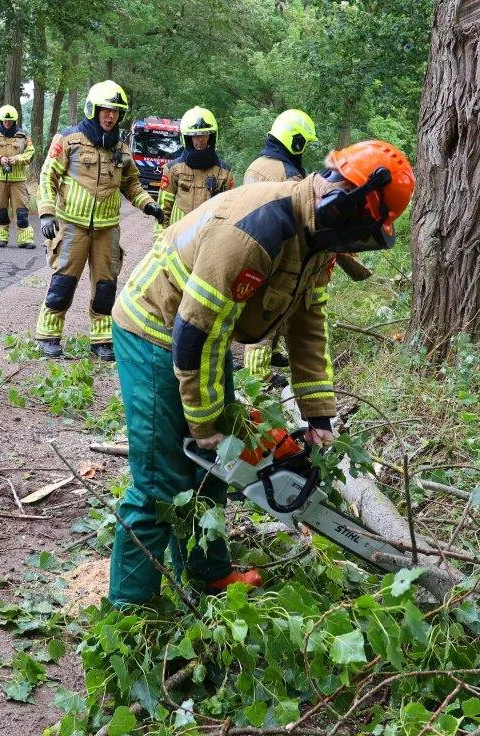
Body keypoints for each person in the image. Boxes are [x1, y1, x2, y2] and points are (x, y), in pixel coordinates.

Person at [108, 139, 415, 607]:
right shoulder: (256, 230)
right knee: (161, 481)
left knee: (214, 470)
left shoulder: (319, 239)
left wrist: (318, 417)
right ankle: (132, 608)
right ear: (344, 203)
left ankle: (207, 573)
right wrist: (204, 424)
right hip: (155, 327)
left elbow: (309, 325)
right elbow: (196, 334)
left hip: (204, 334)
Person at [35, 80, 166, 362]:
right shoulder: (68, 140)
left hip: (107, 230)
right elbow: (48, 176)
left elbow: (132, 184)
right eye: (106, 110)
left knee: (106, 286)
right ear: (93, 109)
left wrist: (150, 205)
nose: (110, 116)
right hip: (72, 225)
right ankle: (48, 335)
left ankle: (102, 340)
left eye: (116, 112)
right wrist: (46, 212)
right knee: (64, 281)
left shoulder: (122, 148)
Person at [240, 109, 319, 384]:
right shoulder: (288, 174)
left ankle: (268, 358)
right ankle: (257, 377)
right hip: (277, 251)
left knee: (262, 306)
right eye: (304, 143)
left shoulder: (256, 165)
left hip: (250, 243)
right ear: (295, 141)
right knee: (267, 308)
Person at [157, 106, 234, 227]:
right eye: (195, 135)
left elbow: (230, 210)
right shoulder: (173, 169)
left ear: (211, 136)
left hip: (208, 235)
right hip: (179, 235)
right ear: (187, 138)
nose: (200, 139)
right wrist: (161, 236)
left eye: (204, 134)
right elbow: (163, 209)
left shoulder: (225, 172)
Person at [0, 104, 36, 249]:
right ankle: (1, 238)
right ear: (1, 120)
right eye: (5, 120)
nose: (7, 123)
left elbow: (30, 153)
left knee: (22, 212)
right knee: (1, 211)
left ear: (14, 121)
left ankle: (25, 239)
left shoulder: (23, 136)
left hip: (18, 180)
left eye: (10, 121)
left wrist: (18, 159)